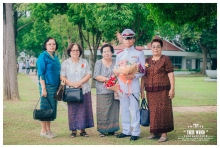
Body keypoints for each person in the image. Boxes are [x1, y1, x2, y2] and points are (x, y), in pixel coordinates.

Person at [140, 38, 175, 142]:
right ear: (151, 48)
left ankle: (163, 134)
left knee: (163, 110)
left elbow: (170, 74)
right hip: (150, 91)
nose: (156, 48)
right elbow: (143, 75)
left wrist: (172, 88)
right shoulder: (147, 61)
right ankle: (154, 132)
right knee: (153, 111)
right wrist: (142, 90)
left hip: (163, 90)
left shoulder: (165, 59)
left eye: (158, 47)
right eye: (154, 47)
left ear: (161, 48)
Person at [115, 29, 145, 141]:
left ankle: (136, 132)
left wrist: (133, 76)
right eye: (126, 38)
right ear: (123, 39)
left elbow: (143, 70)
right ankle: (126, 130)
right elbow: (117, 70)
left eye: (130, 38)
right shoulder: (119, 54)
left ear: (134, 39)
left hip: (133, 86)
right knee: (124, 108)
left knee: (134, 109)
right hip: (123, 86)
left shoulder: (139, 53)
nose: (128, 40)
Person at [60, 43, 94, 138]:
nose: (75, 52)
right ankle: (73, 130)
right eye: (73, 50)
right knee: (73, 110)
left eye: (77, 50)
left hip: (84, 89)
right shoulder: (65, 63)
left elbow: (88, 74)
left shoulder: (84, 62)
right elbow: (62, 76)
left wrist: (79, 83)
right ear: (69, 52)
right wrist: (72, 84)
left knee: (84, 109)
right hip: (71, 91)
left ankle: (83, 130)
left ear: (80, 52)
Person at [93, 44, 120, 137]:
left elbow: (119, 75)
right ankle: (102, 130)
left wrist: (113, 82)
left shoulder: (116, 62)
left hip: (114, 91)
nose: (106, 53)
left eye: (108, 51)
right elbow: (96, 76)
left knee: (114, 110)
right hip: (102, 91)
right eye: (104, 52)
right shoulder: (98, 63)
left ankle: (112, 129)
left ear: (112, 52)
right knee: (102, 111)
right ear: (102, 53)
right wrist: (109, 80)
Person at [37, 37, 61, 138]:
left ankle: (49, 130)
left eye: (54, 44)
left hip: (55, 86)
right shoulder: (43, 56)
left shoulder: (55, 57)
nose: (52, 46)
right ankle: (43, 131)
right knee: (45, 108)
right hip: (46, 86)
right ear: (46, 45)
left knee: (51, 109)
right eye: (50, 44)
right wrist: (43, 88)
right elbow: (41, 73)